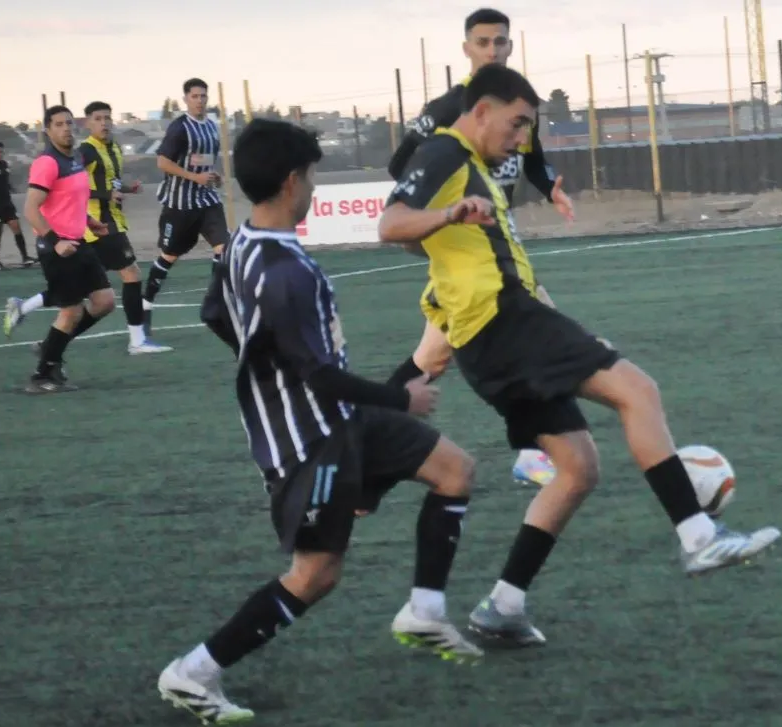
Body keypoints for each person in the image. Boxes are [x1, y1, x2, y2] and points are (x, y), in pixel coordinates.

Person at [379, 64, 781, 648]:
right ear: (482, 110)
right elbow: (390, 223)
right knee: (637, 391)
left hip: (493, 332)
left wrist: (446, 231)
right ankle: (698, 536)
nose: (521, 138)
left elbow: (419, 237)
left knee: (578, 469)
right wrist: (448, 217)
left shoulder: (473, 165)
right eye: (517, 123)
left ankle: (504, 606)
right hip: (502, 320)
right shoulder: (446, 151)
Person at [158, 118, 483, 725]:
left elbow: (214, 313)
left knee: (455, 470)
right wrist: (401, 398)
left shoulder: (242, 244)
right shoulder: (287, 272)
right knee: (316, 574)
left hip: (341, 418)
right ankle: (194, 672)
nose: (313, 188)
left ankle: (426, 611)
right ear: (290, 182)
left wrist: (260, 360)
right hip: (309, 440)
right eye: (310, 176)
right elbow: (319, 378)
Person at [383, 7, 575, 492]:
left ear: (511, 45)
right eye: (483, 42)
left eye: (500, 41)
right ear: (466, 48)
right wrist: (446, 204)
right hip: (464, 242)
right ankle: (531, 452)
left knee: (431, 359)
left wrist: (551, 188)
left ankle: (366, 449)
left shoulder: (518, 103)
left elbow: (535, 160)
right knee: (543, 329)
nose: (492, 50)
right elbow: (400, 163)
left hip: (490, 242)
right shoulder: (452, 108)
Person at [4, 101, 173, 355]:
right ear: (88, 124)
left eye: (108, 118)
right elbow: (69, 189)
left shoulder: (112, 148)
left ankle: (37, 326)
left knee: (83, 292)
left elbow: (102, 184)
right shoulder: (84, 152)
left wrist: (127, 189)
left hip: (100, 223)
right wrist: (103, 199)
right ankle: (137, 340)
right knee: (129, 275)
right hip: (92, 226)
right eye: (98, 119)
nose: (104, 123)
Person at [22, 105, 116, 393]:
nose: (66, 129)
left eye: (69, 123)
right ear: (48, 130)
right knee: (71, 312)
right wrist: (56, 242)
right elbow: (31, 210)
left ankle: (51, 347)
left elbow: (68, 201)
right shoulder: (47, 163)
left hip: (78, 241)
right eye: (59, 124)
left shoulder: (75, 158)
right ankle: (42, 376)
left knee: (104, 302)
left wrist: (89, 221)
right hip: (56, 248)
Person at [143, 77, 230, 338]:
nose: (200, 100)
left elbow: (204, 161)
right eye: (195, 96)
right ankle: (145, 306)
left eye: (203, 96)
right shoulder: (179, 128)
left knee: (224, 248)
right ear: (185, 99)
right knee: (169, 256)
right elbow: (162, 162)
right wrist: (194, 177)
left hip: (207, 200)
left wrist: (213, 176)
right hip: (179, 204)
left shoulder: (212, 126)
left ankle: (216, 303)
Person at [0, 141, 35, 270]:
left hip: (7, 203)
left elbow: (4, 182)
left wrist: (12, 188)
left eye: (0, 152)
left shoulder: (4, 164)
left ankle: (25, 257)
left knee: (16, 226)